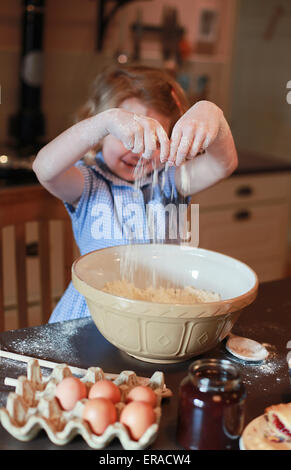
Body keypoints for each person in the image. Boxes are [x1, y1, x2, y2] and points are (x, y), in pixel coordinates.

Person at [33, 65, 238, 323]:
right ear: (101, 136)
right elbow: (44, 169)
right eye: (127, 138)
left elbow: (223, 164)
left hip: (159, 314)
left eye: (156, 141)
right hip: (94, 317)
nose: (140, 152)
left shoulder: (171, 180)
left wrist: (214, 116)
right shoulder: (87, 183)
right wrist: (104, 121)